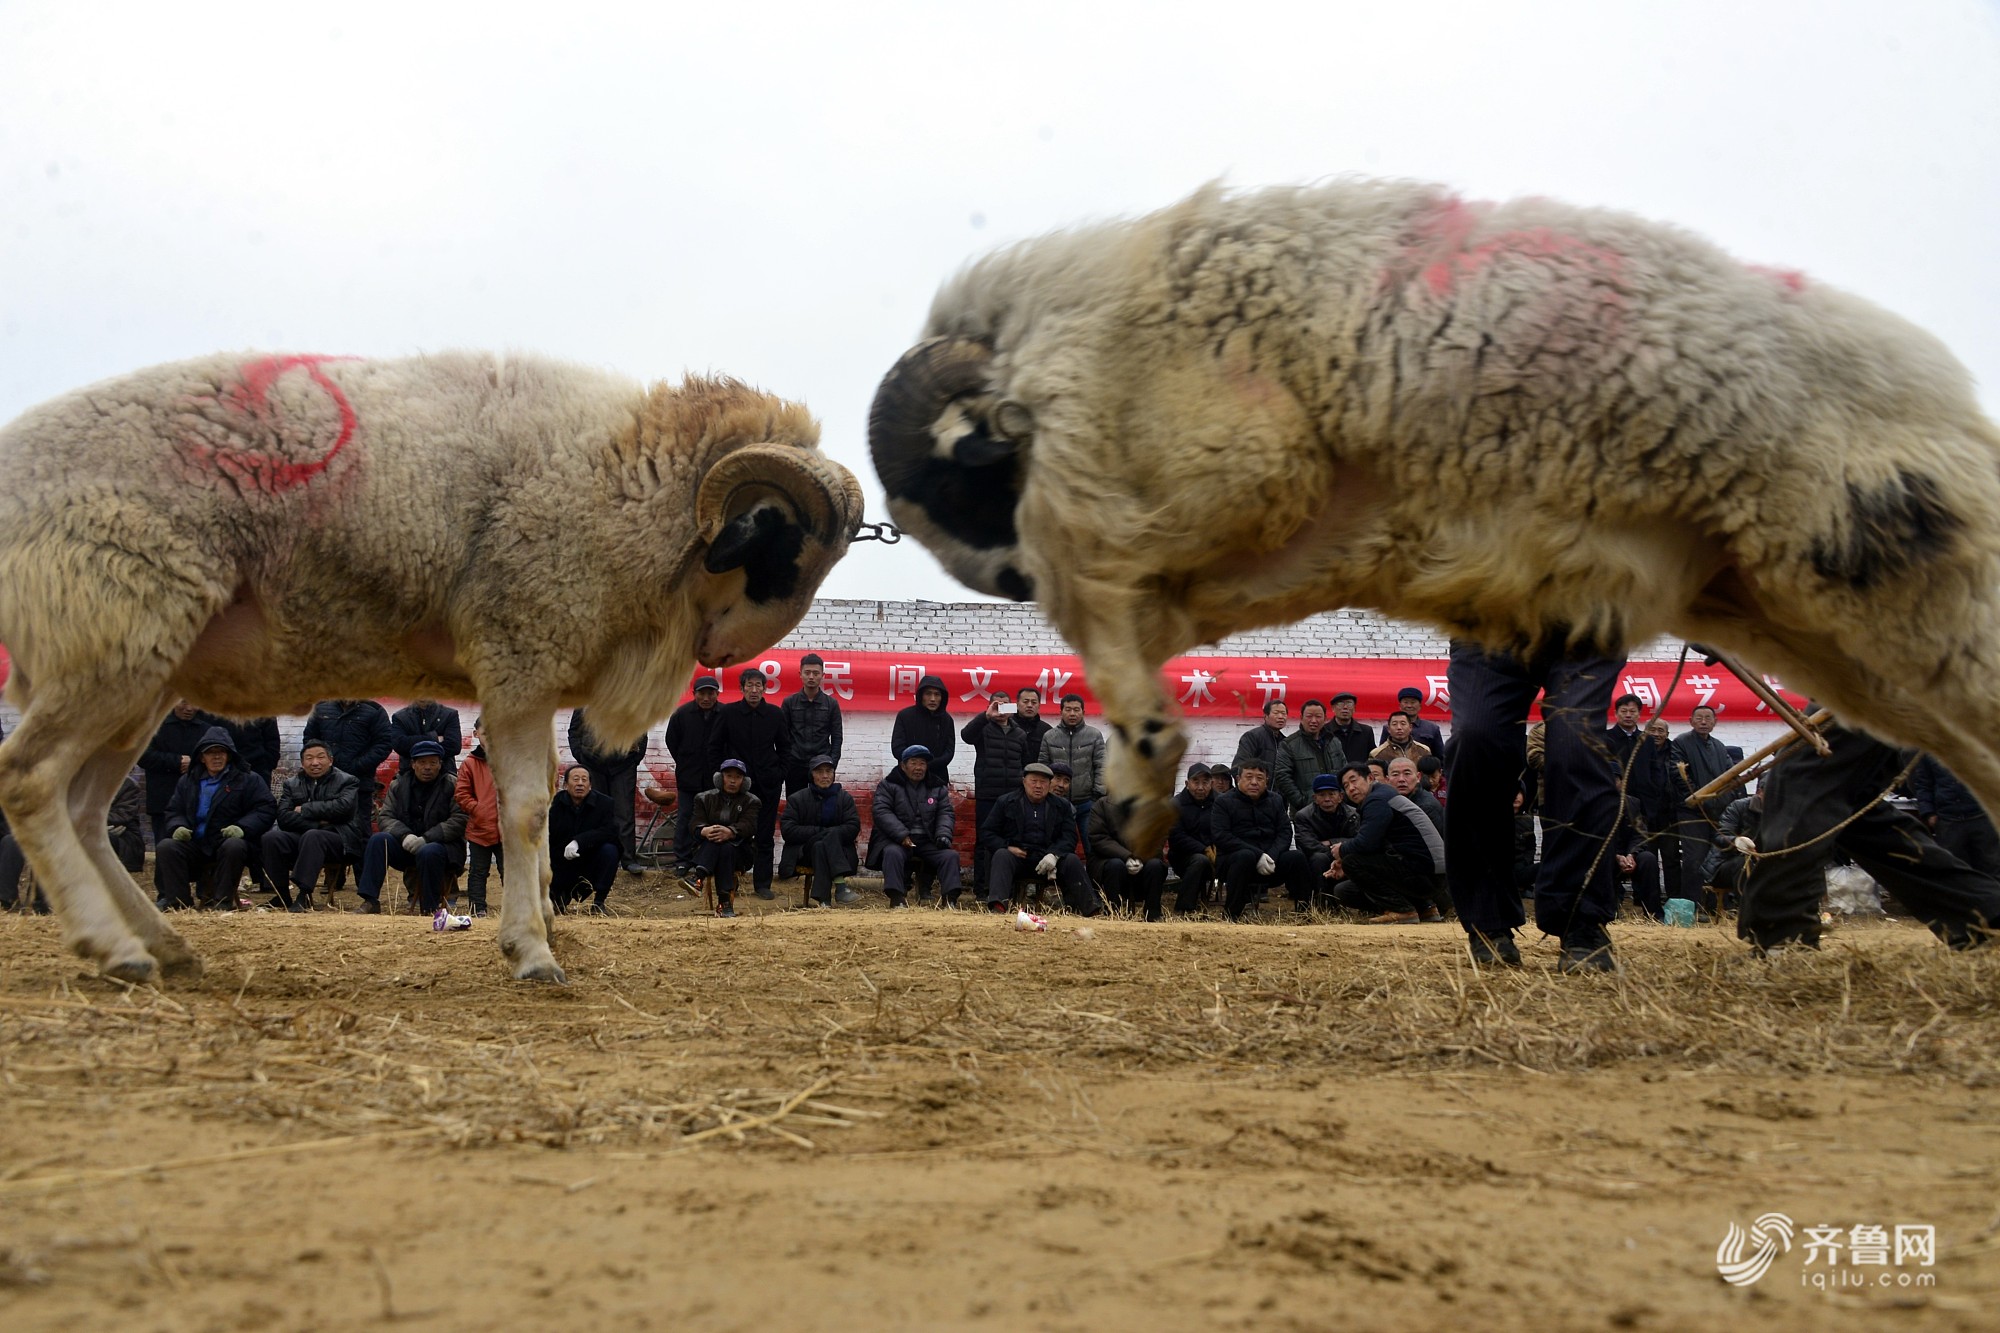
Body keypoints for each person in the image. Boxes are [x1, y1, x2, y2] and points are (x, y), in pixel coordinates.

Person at [1743, 717, 2000, 954]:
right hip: (1855, 685)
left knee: (1799, 780)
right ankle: (1980, 913)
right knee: (1854, 813)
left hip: (1870, 680)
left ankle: (1784, 933)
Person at [1443, 640, 1625, 971]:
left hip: (1586, 618)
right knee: (1474, 739)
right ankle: (1488, 920)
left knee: (1575, 744)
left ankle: (1581, 922)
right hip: (1489, 617)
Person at [156, 727, 277, 911]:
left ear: (229, 755)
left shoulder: (247, 779)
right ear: (201, 757)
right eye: (210, 753)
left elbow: (265, 808)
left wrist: (242, 827)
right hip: (195, 842)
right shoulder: (188, 781)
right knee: (167, 846)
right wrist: (177, 826)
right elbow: (174, 810)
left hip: (227, 843)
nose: (216, 757)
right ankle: (178, 903)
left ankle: (222, 902)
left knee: (234, 846)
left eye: (221, 752)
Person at [1, 770, 146, 914]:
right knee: (12, 841)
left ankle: (45, 904)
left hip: (115, 838)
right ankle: (8, 901)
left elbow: (121, 816)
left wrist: (82, 822)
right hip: (67, 832)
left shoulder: (125, 784)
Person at [352, 739, 467, 916]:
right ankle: (370, 900)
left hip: (443, 848)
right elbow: (386, 816)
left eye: (432, 762)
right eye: (422, 762)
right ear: (413, 764)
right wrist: (404, 835)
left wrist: (427, 838)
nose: (427, 767)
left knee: (428, 851)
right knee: (378, 840)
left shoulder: (451, 784)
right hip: (407, 845)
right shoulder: (399, 784)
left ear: (440, 764)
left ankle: (429, 908)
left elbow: (460, 819)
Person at [1326, 763, 1445, 923]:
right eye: (1346, 786)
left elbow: (1366, 843)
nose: (1351, 788)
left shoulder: (1377, 799)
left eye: (1354, 781)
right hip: (1435, 873)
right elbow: (1377, 847)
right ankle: (1425, 909)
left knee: (1352, 862)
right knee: (1349, 881)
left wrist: (1341, 850)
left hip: (1427, 874)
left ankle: (1401, 910)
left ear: (1370, 778)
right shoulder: (1384, 795)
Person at [983, 762, 1097, 915]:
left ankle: (1092, 909)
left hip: (1049, 862)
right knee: (1001, 855)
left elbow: (1069, 837)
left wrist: (1055, 854)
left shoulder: (1061, 806)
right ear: (1024, 781)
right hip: (1019, 859)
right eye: (1033, 781)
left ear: (1049, 784)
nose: (1038, 786)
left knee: (1072, 860)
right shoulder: (1006, 802)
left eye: (1043, 782)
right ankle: (998, 906)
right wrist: (1008, 847)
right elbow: (987, 833)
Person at [716, 669, 790, 899]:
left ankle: (762, 884)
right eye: (750, 685)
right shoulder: (729, 713)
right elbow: (715, 745)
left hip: (768, 783)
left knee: (765, 835)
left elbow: (786, 748)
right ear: (742, 688)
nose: (754, 690)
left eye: (759, 685)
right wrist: (724, 777)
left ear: (765, 688)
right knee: (736, 832)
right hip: (737, 786)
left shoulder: (775, 715)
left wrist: (779, 774)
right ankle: (732, 881)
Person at [263, 740, 359, 912]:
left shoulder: (347, 781)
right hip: (303, 836)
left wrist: (305, 809)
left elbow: (342, 809)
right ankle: (282, 894)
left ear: (330, 760)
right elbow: (284, 817)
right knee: (272, 838)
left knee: (313, 836)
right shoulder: (291, 784)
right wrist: (318, 821)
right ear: (302, 763)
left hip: (338, 839)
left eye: (320, 757)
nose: (315, 762)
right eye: (309, 758)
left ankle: (303, 895)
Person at [1211, 758, 1313, 920]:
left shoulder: (1275, 800)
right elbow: (1222, 836)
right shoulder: (1223, 802)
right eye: (1248, 777)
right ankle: (1231, 914)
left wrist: (1271, 855)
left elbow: (1285, 831)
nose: (1254, 782)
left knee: (1296, 857)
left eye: (1259, 778)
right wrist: (1258, 855)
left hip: (1270, 862)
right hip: (1234, 863)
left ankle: (1305, 913)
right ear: (1238, 780)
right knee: (1245, 855)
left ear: (1267, 781)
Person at [303, 699, 394, 869]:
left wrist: (357, 766)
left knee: (361, 830)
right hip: (326, 783)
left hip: (360, 782)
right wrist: (323, 764)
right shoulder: (322, 707)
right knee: (327, 827)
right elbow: (310, 740)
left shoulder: (373, 710)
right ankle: (333, 877)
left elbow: (384, 743)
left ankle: (364, 883)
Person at [867, 745, 961, 908]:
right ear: (903, 765)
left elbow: (945, 813)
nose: (918, 768)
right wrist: (902, 835)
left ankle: (950, 901)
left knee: (950, 856)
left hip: (928, 840)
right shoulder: (888, 785)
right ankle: (897, 899)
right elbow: (881, 811)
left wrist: (943, 835)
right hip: (897, 840)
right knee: (892, 853)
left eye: (923, 763)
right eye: (914, 763)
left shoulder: (937, 786)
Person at [961, 690, 1034, 895]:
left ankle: (1006, 889)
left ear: (1012, 708)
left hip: (1012, 796)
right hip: (987, 794)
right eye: (996, 704)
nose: (1000, 710)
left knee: (1011, 840)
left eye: (1004, 705)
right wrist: (986, 716)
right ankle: (982, 890)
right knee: (984, 841)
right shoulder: (983, 729)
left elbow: (1026, 763)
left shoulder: (1019, 733)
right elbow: (966, 736)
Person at [1670, 705, 1742, 904]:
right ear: (1691, 721)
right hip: (1692, 811)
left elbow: (1729, 776)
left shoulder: (1719, 746)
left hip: (1718, 812)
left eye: (1708, 718)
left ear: (1715, 722)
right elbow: (1678, 774)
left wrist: (1725, 800)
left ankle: (1716, 906)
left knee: (1718, 856)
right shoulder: (1681, 742)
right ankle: (1692, 905)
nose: (1703, 721)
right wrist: (1697, 798)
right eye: (1699, 718)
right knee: (1694, 859)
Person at [569, 707, 651, 876]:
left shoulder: (628, 701)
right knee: (596, 813)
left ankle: (628, 860)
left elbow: (641, 729)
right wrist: (581, 756)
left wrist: (635, 758)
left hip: (623, 764)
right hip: (593, 763)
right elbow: (574, 732)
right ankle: (597, 859)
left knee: (624, 813)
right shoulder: (584, 703)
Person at [665, 676, 726, 874]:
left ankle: (706, 860)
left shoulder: (725, 714)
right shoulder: (682, 714)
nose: (706, 698)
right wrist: (685, 762)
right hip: (688, 778)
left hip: (716, 779)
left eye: (711, 693)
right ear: (694, 694)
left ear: (717, 694)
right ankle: (682, 860)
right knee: (685, 818)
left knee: (715, 819)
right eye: (702, 693)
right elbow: (672, 741)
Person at [781, 755, 861, 905]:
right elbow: (788, 830)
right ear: (811, 775)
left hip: (840, 852)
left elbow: (853, 827)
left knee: (821, 845)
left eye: (828, 771)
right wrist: (820, 831)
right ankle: (841, 886)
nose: (825, 776)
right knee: (824, 838)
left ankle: (823, 900)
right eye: (819, 772)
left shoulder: (844, 798)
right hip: (805, 852)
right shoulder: (797, 799)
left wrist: (829, 834)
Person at [139, 700, 216, 847]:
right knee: (164, 846)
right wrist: (176, 761)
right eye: (184, 703)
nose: (189, 709)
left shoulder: (206, 730)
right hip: (162, 797)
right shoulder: (156, 727)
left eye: (194, 704)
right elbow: (143, 756)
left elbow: (218, 760)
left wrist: (194, 764)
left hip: (197, 799)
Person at [548, 763, 622, 914]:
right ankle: (554, 897)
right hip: (559, 861)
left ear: (590, 785)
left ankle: (599, 903)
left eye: (584, 780)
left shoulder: (605, 803)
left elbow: (610, 831)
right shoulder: (552, 804)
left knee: (610, 850)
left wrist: (578, 842)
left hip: (589, 860)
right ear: (565, 784)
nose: (580, 783)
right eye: (575, 779)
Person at [1911, 754, 2000, 878]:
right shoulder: (1928, 752)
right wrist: (1929, 812)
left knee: (1992, 869)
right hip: (1948, 821)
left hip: (1982, 818)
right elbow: (1923, 784)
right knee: (1952, 872)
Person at [691, 758, 760, 917]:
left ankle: (698, 878)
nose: (733, 781)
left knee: (726, 845)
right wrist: (705, 830)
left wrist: (730, 832)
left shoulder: (752, 801)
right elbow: (694, 823)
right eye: (729, 776)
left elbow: (749, 826)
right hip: (707, 850)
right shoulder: (703, 798)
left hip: (741, 852)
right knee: (722, 845)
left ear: (744, 781)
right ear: (720, 778)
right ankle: (725, 904)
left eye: (738, 777)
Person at [1088, 794, 1168, 920]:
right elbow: (1098, 838)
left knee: (1155, 865)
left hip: (1143, 860)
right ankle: (1113, 913)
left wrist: (1141, 858)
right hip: (1108, 861)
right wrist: (1127, 856)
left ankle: (1153, 915)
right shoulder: (1102, 805)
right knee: (1115, 865)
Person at [453, 718, 502, 916]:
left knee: (511, 873)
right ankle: (477, 909)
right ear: (476, 734)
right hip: (480, 827)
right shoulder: (470, 764)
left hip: (510, 829)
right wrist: (478, 809)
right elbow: (462, 794)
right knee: (478, 872)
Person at [1038, 694, 1107, 835]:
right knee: (1057, 842)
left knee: (1091, 845)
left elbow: (1102, 766)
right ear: (1061, 712)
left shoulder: (1094, 735)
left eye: (1076, 710)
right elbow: (1043, 767)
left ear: (1083, 712)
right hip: (1057, 802)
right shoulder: (1049, 736)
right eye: (1068, 709)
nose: (1072, 714)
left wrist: (1097, 795)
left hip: (1087, 802)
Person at [780, 653, 844, 798]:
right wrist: (786, 762)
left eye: (816, 673)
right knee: (796, 803)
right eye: (807, 672)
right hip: (795, 764)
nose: (811, 677)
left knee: (822, 805)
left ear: (823, 675)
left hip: (822, 764)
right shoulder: (789, 702)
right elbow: (782, 736)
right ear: (800, 674)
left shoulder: (831, 704)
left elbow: (837, 737)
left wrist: (831, 763)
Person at [1294, 772, 1360, 902]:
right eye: (1322, 795)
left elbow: (1359, 839)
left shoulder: (1353, 814)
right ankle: (1323, 902)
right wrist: (1335, 853)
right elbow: (1308, 844)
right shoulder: (1303, 816)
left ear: (1340, 796)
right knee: (1318, 859)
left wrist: (1332, 843)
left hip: (1346, 854)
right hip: (1318, 856)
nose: (1327, 799)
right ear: (1315, 798)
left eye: (1331, 794)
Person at [1166, 763, 1219, 915]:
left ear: (1212, 784)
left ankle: (1234, 911)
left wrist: (1217, 847)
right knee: (1199, 860)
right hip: (1183, 857)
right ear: (1187, 784)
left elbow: (1225, 830)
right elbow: (1176, 837)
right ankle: (1184, 909)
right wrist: (1204, 849)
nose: (1201, 787)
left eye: (1205, 782)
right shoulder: (1176, 804)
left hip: (1216, 856)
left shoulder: (1220, 802)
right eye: (1196, 782)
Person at [1275, 699, 1339, 812]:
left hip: (1336, 807)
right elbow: (1282, 776)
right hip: (1305, 810)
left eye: (1318, 716)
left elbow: (1344, 771)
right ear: (1301, 718)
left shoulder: (1334, 742)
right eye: (1309, 716)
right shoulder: (1289, 744)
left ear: (1325, 719)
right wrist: (1301, 801)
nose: (1313, 720)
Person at [889, 674, 955, 783]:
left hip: (937, 777)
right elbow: (897, 747)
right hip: (908, 777)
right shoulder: (905, 716)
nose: (933, 699)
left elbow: (949, 752)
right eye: (928, 694)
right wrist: (916, 765)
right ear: (921, 696)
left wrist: (928, 765)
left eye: (937, 694)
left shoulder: (947, 719)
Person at [1385, 757, 1445, 848]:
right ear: (1387, 780)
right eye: (1395, 774)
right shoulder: (1388, 800)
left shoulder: (1426, 807)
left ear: (1418, 777)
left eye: (1407, 774)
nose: (1401, 779)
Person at [392, 700, 462, 774]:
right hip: (408, 775)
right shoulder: (400, 717)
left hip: (444, 775)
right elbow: (400, 745)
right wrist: (434, 738)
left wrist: (412, 742)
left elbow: (454, 746)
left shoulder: (449, 715)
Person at [1234, 700, 1289, 777]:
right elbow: (1238, 766)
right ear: (1266, 716)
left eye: (1284, 713)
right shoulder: (1252, 736)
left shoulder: (1286, 742)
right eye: (1276, 713)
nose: (1280, 717)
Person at [1396, 687, 1448, 757]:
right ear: (1400, 706)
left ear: (1420, 706)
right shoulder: (1389, 728)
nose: (1409, 705)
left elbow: (1440, 757)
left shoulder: (1432, 728)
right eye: (1406, 702)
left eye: (1413, 702)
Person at [1325, 692, 1375, 763]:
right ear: (1333, 708)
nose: (1345, 707)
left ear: (1354, 708)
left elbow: (1372, 757)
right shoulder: (1324, 731)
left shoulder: (1366, 731)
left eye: (1349, 703)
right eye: (1340, 703)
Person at [1014, 685, 1053, 759]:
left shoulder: (1046, 730)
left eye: (1034, 702)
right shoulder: (1008, 726)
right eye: (1025, 702)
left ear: (1039, 706)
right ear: (1017, 704)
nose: (1029, 705)